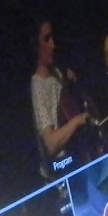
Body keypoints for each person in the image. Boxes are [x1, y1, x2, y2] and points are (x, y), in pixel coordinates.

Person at [29, 17, 89, 165]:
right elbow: (50, 144)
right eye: (46, 39)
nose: (53, 45)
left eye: (52, 38)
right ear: (35, 45)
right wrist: (77, 121)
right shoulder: (38, 85)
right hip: (64, 164)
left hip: (79, 154)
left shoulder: (57, 72)